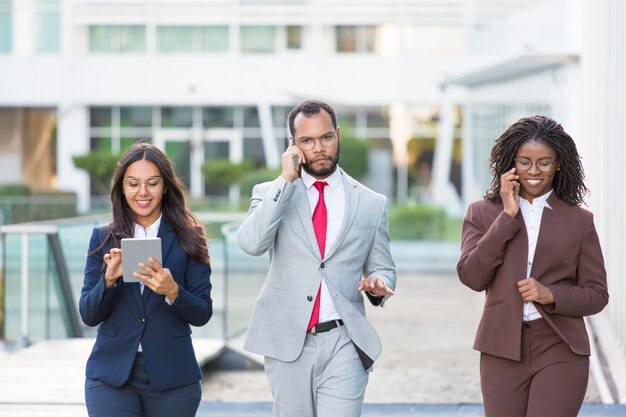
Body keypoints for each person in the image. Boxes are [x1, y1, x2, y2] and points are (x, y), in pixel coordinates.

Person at [237, 100, 396, 417]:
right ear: (292, 145)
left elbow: (383, 266)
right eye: (307, 141)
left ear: (337, 135)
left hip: (344, 341)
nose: (319, 148)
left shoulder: (370, 203)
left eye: (326, 138)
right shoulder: (271, 192)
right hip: (287, 342)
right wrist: (286, 180)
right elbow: (251, 243)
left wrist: (380, 283)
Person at [457, 115, 608, 417]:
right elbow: (472, 276)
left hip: (560, 345)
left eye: (544, 162)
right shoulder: (483, 213)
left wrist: (550, 294)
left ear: (559, 164)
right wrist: (507, 216)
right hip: (501, 346)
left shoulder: (579, 222)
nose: (534, 171)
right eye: (525, 162)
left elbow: (597, 294)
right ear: (511, 162)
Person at [79, 142, 213, 417]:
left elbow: (202, 313)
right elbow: (88, 314)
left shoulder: (190, 236)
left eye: (152, 183)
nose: (142, 192)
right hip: (112, 374)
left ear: (165, 186)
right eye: (133, 183)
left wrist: (173, 291)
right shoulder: (103, 237)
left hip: (173, 376)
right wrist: (109, 281)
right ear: (122, 188)